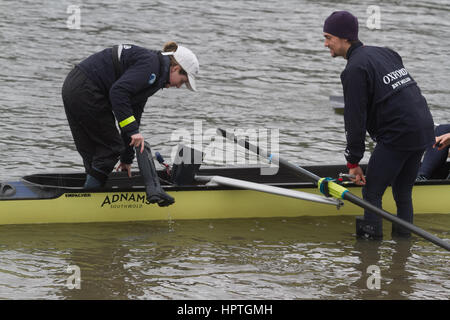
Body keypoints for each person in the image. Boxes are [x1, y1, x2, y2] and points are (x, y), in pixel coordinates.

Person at [323, 11, 435, 239]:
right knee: (402, 192)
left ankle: (369, 254)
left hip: (399, 133)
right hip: (423, 127)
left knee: (372, 192)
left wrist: (353, 161)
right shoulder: (386, 52)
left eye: (328, 37)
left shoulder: (354, 70)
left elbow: (355, 120)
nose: (325, 44)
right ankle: (403, 252)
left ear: (345, 38)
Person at [62, 41, 199, 193]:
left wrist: (127, 158)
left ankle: (87, 198)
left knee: (96, 155)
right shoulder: (151, 67)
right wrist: (133, 131)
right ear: (175, 68)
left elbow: (133, 115)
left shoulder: (154, 70)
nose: (179, 86)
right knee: (111, 148)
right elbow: (118, 93)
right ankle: (88, 202)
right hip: (86, 89)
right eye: (182, 81)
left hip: (73, 86)